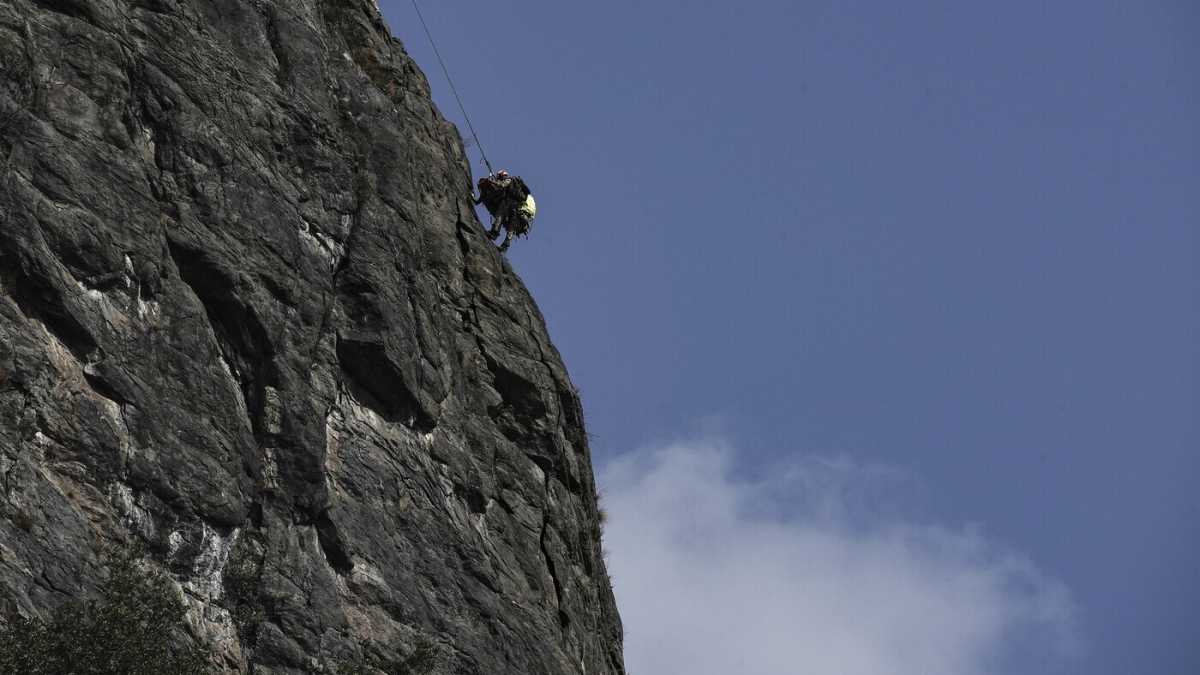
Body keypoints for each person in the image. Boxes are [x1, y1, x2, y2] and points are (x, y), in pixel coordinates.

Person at [474, 170, 536, 252]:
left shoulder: (509, 180)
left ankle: (494, 232)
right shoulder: (520, 190)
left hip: (509, 204)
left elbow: (502, 185)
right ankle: (505, 246)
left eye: (499, 177)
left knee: (500, 215)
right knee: (511, 228)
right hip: (520, 213)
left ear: (502, 175)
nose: (499, 179)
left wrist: (491, 181)